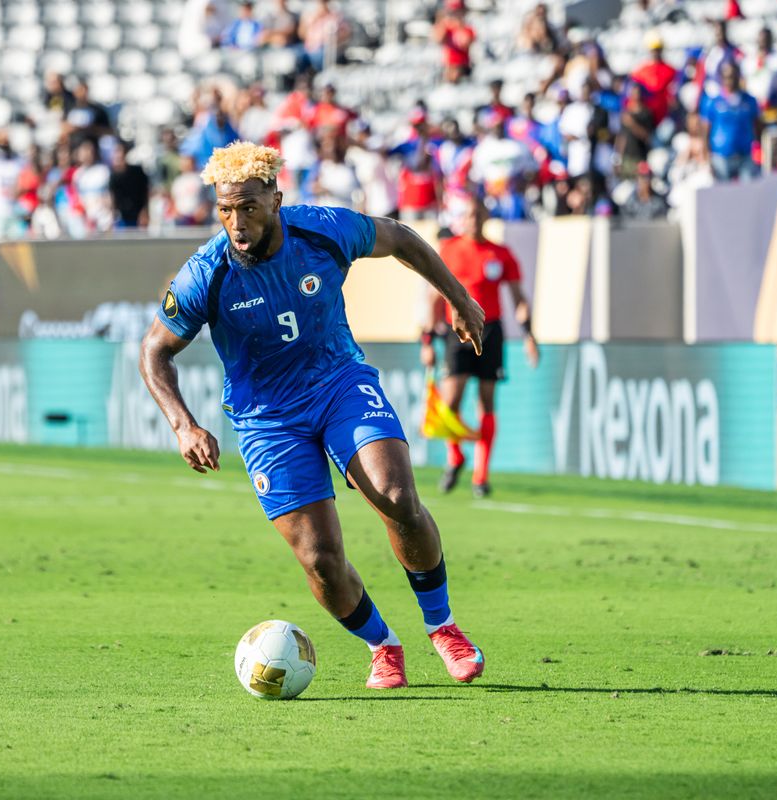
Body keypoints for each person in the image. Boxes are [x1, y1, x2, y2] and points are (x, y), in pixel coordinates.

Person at [140, 141, 488, 690]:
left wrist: (457, 297)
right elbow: (155, 351)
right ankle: (382, 645)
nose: (237, 223)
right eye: (225, 211)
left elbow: (400, 238)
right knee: (321, 560)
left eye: (249, 208)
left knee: (397, 498)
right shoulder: (205, 272)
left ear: (276, 200)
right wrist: (183, 423)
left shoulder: (324, 229)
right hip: (266, 419)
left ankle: (442, 627)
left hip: (339, 383)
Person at [421, 197, 537, 498]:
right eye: (469, 215)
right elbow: (433, 298)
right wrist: (426, 341)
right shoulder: (449, 250)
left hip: (490, 331)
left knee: (487, 401)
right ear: (462, 219)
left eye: (478, 215)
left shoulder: (500, 253)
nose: (474, 220)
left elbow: (518, 298)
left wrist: (528, 335)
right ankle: (455, 457)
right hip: (455, 331)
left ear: (485, 217)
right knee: (451, 402)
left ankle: (480, 476)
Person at [701, 62, 760, 181]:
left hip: (745, 155)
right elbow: (705, 130)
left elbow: (757, 126)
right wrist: (706, 157)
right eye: (727, 77)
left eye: (733, 76)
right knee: (724, 194)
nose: (730, 80)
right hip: (721, 157)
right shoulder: (713, 102)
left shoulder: (749, 101)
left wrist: (758, 150)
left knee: (748, 191)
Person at [433, 0, 476, 83]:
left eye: (458, 11)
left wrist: (458, 25)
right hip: (448, 65)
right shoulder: (446, 28)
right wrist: (442, 21)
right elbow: (438, 39)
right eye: (453, 12)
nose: (455, 15)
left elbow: (465, 42)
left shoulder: (468, 28)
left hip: (462, 67)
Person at [109, 140, 150, 228]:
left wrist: (145, 211)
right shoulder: (113, 176)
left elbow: (145, 192)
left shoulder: (137, 172)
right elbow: (113, 198)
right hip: (122, 218)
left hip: (138, 217)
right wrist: (112, 219)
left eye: (120, 151)